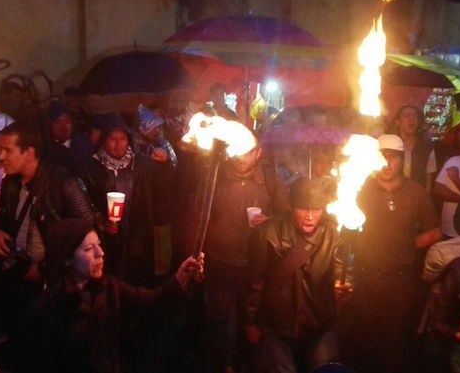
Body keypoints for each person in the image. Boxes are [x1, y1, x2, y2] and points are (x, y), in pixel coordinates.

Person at [24, 218, 203, 373]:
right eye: (88, 249)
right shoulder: (45, 312)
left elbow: (151, 300)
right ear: (67, 258)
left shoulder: (108, 287)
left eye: (99, 245)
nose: (100, 253)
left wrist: (180, 277)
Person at [0, 122, 96, 355]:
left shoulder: (64, 183)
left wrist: (44, 267)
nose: (1, 156)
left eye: (8, 150)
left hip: (56, 282)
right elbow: (4, 217)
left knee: (47, 345)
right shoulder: (9, 183)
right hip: (21, 272)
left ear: (29, 152)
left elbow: (87, 233)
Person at [341, 134, 441, 373]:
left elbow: (435, 232)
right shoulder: (358, 188)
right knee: (362, 336)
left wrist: (407, 245)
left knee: (395, 339)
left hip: (400, 279)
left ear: (401, 160)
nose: (387, 163)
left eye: (393, 157)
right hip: (364, 276)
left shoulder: (416, 193)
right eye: (382, 157)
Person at [187, 141, 287, 373]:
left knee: (250, 319)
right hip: (220, 260)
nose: (242, 157)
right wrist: (194, 256)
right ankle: (220, 364)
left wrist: (270, 222)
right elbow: (197, 216)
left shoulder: (271, 182)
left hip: (256, 264)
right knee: (219, 318)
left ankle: (246, 364)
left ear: (258, 153)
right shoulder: (215, 178)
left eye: (248, 151)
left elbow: (287, 219)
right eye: (238, 151)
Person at [244, 177, 352, 373]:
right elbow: (255, 281)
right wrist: (250, 322)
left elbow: (341, 272)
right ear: (291, 206)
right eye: (303, 208)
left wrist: (342, 285)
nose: (310, 216)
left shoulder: (333, 235)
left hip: (319, 325)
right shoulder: (269, 233)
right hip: (277, 325)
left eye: (316, 209)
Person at [80, 113, 174, 283]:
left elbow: (164, 185)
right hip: (107, 237)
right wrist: (99, 218)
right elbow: (83, 198)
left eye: (123, 138)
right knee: (110, 278)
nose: (119, 144)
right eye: (113, 139)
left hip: (137, 233)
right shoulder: (91, 168)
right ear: (103, 141)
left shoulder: (140, 164)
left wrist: (165, 164)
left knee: (136, 277)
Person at [389, 105, 436, 190]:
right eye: (407, 116)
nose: (412, 119)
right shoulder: (391, 146)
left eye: (415, 116)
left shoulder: (426, 148)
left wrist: (426, 200)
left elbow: (429, 180)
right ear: (398, 122)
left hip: (416, 198)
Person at [42, 100, 95, 176]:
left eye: (67, 121)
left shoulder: (84, 142)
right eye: (57, 122)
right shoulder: (46, 151)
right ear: (50, 126)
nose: (64, 127)